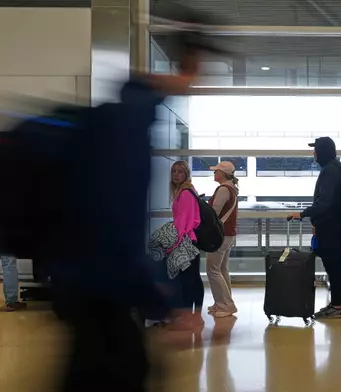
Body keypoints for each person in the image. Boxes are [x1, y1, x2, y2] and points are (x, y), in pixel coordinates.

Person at [49, 5, 228, 391]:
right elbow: (114, 227)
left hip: (80, 288)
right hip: (100, 293)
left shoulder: (113, 118)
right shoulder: (127, 134)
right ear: (193, 61)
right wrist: (162, 305)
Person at [287, 137, 341, 319]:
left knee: (334, 266)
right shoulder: (337, 168)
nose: (314, 153)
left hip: (331, 227)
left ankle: (337, 306)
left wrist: (304, 213)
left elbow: (325, 202)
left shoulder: (330, 171)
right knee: (335, 266)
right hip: (334, 225)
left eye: (316, 150)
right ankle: (339, 303)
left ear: (323, 151)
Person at [169, 160, 204, 327]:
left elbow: (183, 221)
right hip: (188, 240)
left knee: (188, 280)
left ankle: (191, 314)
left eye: (180, 172)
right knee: (192, 278)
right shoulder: (184, 191)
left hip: (185, 240)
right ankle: (193, 314)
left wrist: (173, 243)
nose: (176, 175)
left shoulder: (185, 193)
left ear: (186, 174)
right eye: (174, 171)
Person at [206, 161, 239, 318]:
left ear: (223, 174)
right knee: (222, 269)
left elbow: (213, 213)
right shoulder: (232, 189)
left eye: (216, 171)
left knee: (212, 269)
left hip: (220, 235)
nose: (214, 173)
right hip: (228, 234)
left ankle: (226, 305)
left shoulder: (223, 189)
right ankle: (222, 302)